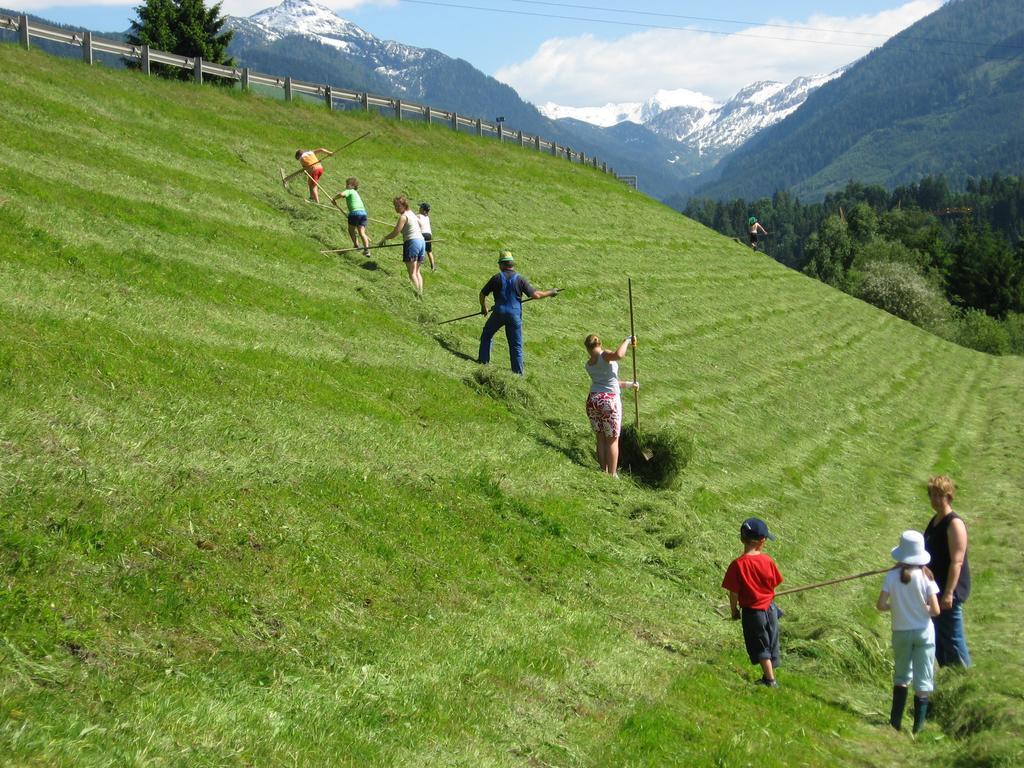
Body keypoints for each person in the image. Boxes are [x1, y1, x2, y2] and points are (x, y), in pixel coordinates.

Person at [877, 530, 941, 734]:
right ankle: (918, 729)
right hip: (923, 632)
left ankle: (894, 724)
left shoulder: (892, 576)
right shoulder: (926, 576)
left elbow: (880, 605)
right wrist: (923, 609)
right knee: (923, 679)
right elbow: (936, 610)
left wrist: (895, 606)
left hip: (901, 631)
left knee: (902, 676)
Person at [721, 518, 784, 687]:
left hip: (753, 612)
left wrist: (734, 611)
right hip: (770, 609)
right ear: (762, 541)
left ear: (742, 539)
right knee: (770, 641)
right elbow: (773, 586)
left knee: (760, 645)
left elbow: (733, 592)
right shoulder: (767, 561)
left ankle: (770, 681)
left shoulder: (737, 565)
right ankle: (769, 675)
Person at [478, 251, 558, 375]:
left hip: (498, 313)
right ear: (512, 264)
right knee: (516, 346)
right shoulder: (520, 279)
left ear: (501, 265)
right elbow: (536, 295)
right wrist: (551, 292)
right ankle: (518, 374)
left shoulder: (496, 278)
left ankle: (483, 363)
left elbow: (482, 294)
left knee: (487, 335)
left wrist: (484, 307)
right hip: (514, 316)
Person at [923, 474, 972, 667]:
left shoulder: (954, 523)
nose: (934, 500)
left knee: (953, 638)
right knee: (938, 638)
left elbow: (957, 562)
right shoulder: (935, 520)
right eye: (932, 495)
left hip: (949, 591)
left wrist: (949, 593)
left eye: (939, 495)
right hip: (935, 589)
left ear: (948, 497)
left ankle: (966, 682)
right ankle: (949, 677)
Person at [583, 334, 639, 477]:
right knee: (612, 440)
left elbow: (610, 381)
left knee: (600, 438)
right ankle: (612, 474)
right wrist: (626, 340)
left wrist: (629, 384)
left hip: (593, 400)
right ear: (599, 344)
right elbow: (619, 355)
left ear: (587, 348)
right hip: (609, 402)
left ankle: (603, 470)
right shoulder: (604, 355)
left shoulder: (588, 364)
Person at [380, 196, 426, 297]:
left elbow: (395, 232)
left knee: (412, 273)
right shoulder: (412, 214)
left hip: (412, 242)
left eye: (398, 206)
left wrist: (385, 238)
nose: (396, 208)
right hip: (421, 241)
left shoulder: (404, 217)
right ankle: (420, 294)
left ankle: (417, 295)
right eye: (395, 206)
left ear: (404, 205)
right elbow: (422, 225)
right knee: (417, 272)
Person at [331, 177, 371, 257]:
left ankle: (357, 246)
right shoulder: (356, 193)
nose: (345, 186)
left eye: (347, 184)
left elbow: (341, 194)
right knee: (362, 232)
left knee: (351, 230)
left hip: (354, 213)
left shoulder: (349, 191)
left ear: (351, 185)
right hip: (363, 213)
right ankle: (367, 250)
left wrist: (334, 199)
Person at [417, 202, 436, 273]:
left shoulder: (418, 216)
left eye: (420, 208)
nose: (419, 208)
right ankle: (433, 265)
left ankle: (420, 260)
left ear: (423, 210)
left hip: (422, 234)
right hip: (429, 235)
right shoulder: (427, 218)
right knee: (429, 250)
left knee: (420, 248)